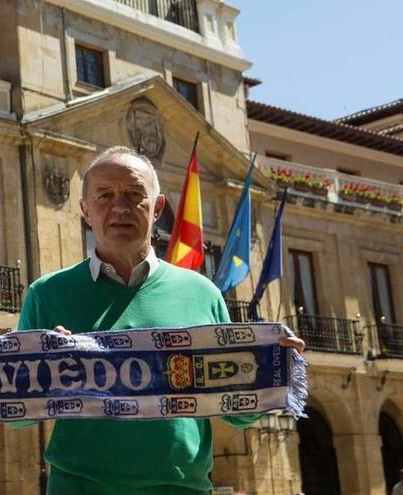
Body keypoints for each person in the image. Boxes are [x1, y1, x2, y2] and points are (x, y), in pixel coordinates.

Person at [17, 146, 306, 494]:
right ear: (84, 210)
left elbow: (236, 414)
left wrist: (273, 373)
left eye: (134, 194)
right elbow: (21, 417)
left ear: (157, 208)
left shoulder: (204, 293)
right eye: (105, 195)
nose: (120, 206)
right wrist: (41, 372)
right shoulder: (46, 294)